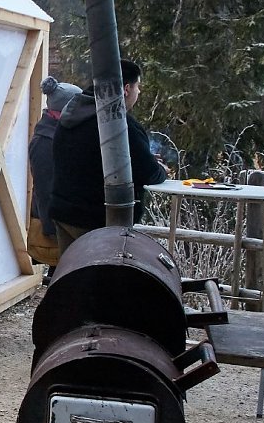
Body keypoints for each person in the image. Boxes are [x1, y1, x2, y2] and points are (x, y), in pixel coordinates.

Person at [49, 59, 168, 256]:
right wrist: (160, 168)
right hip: (97, 220)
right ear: (127, 88)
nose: (139, 93)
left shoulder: (73, 114)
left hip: (64, 213)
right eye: (138, 87)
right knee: (100, 282)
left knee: (73, 278)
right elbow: (148, 172)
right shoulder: (116, 123)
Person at [27, 75, 82, 271]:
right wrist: (51, 230)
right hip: (55, 227)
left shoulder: (60, 135)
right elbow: (45, 189)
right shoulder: (44, 143)